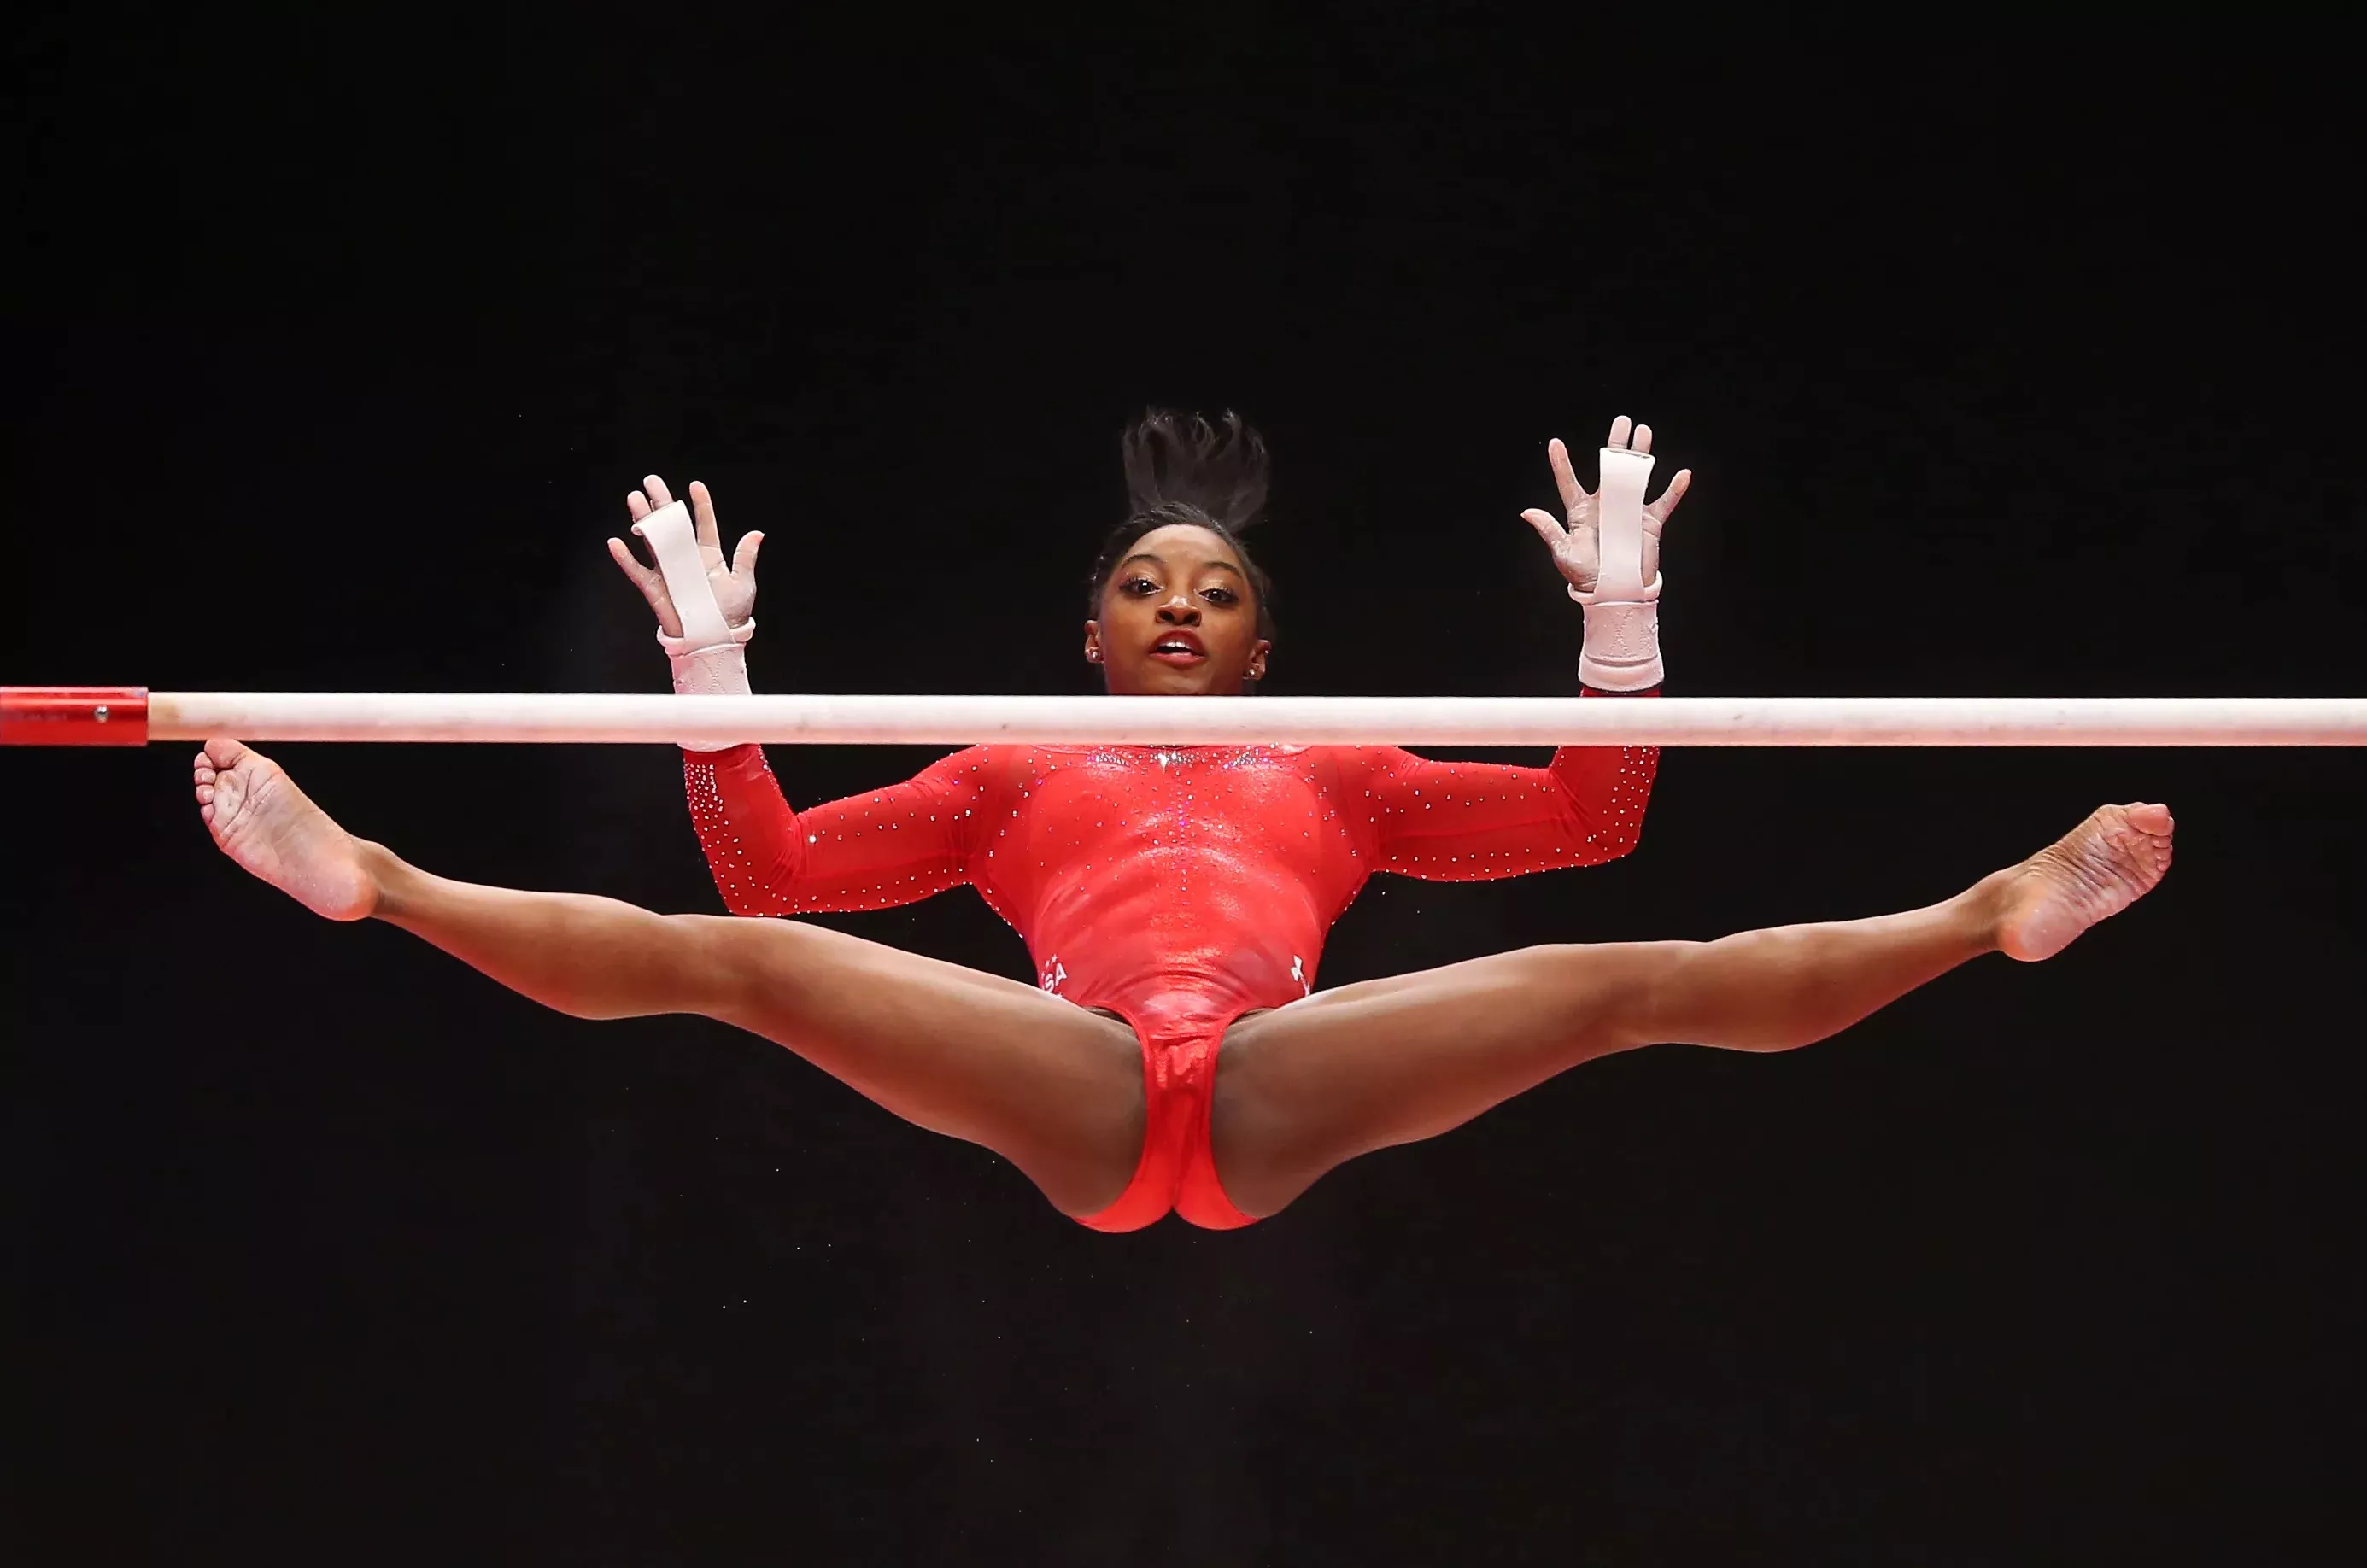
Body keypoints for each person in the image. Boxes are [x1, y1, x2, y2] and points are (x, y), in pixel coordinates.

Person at [194, 412, 2173, 1232]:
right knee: (751, 965)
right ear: (1084, 631)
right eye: (1144, 582)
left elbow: (1585, 821)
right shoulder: (997, 772)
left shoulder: (1345, 764)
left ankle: (1985, 907)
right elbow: (772, 873)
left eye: (1214, 592)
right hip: (1070, 1074)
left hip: (1269, 1080)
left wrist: (1618, 618)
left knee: (1611, 982)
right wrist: (720, 693)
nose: (1176, 603)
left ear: (1259, 651)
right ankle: (372, 878)